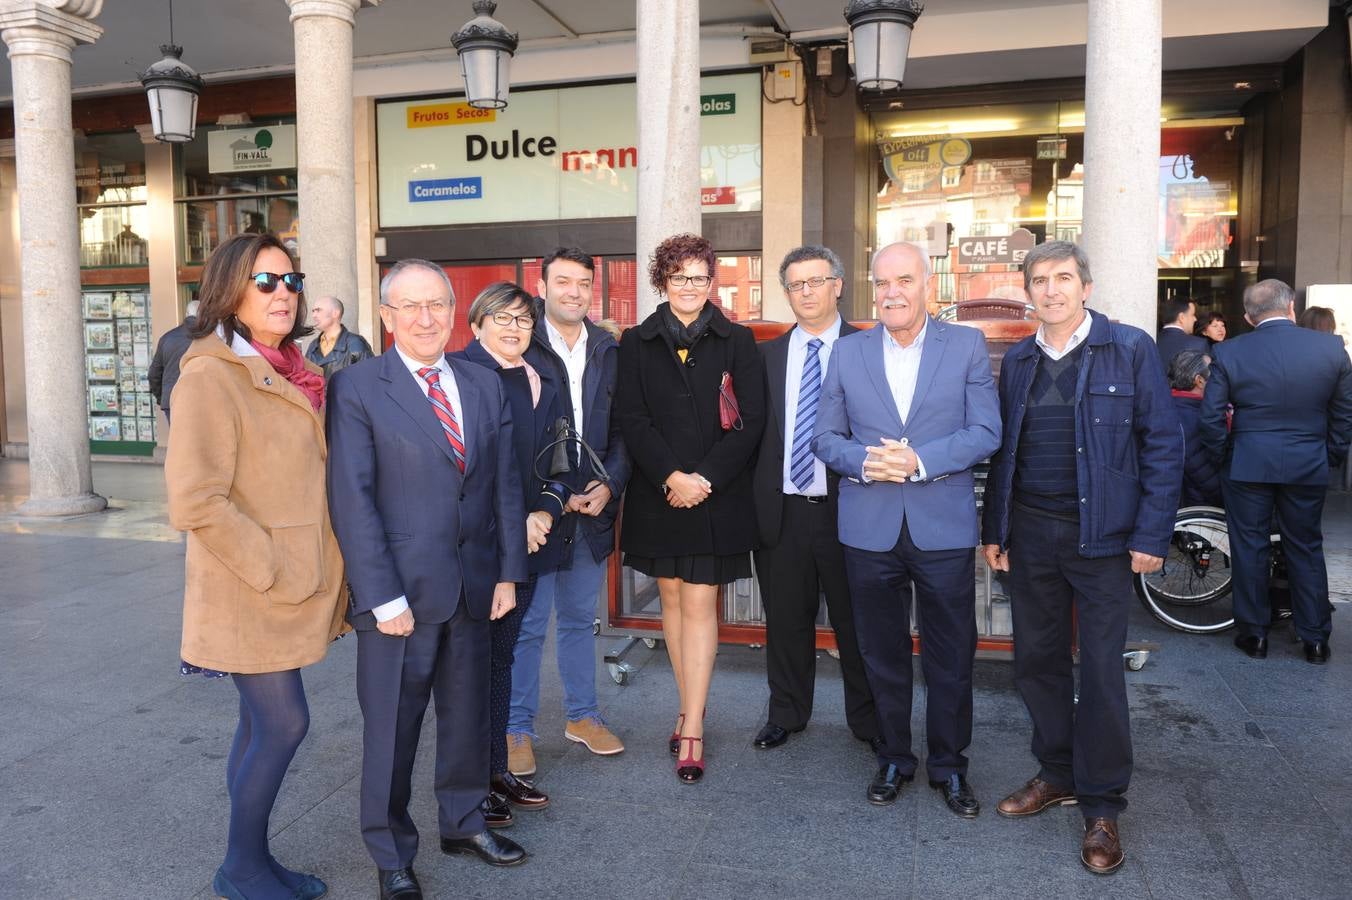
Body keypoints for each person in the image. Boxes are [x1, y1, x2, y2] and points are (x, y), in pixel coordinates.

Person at [326, 258, 529, 900]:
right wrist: (381, 597)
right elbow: (352, 500)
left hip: (474, 585)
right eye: (408, 306)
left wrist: (506, 575)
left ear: (452, 310)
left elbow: (503, 483)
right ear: (386, 317)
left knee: (468, 717)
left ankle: (464, 822)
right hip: (400, 597)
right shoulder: (358, 387)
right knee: (392, 729)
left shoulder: (481, 382)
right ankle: (390, 852)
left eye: (436, 304)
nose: (424, 318)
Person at [981, 241, 1181, 875]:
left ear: (1085, 286)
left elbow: (1163, 445)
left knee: (1099, 673)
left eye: (1063, 278)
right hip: (1032, 536)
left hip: (1105, 540)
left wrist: (1152, 534)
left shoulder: (1129, 348)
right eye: (1039, 281)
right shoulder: (1017, 360)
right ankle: (1057, 774)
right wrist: (998, 529)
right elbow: (1003, 455)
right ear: (1029, 292)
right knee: (1036, 663)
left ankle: (1101, 807)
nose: (1051, 290)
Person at [165, 233, 346, 900]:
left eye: (290, 280)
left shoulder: (289, 366)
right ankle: (241, 867)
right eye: (266, 281)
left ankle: (255, 860)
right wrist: (272, 566)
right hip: (251, 585)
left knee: (259, 724)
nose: (283, 293)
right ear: (230, 290)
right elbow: (195, 499)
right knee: (284, 723)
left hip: (285, 583)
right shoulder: (211, 373)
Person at [813, 241, 1001, 818]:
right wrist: (869, 461)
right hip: (868, 527)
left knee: (951, 652)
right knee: (880, 651)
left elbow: (985, 431)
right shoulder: (847, 353)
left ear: (928, 287)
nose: (893, 292)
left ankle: (949, 766)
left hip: (940, 525)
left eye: (904, 280)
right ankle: (894, 756)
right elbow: (825, 439)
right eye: (883, 283)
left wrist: (916, 460)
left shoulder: (966, 345)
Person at [615, 233, 765, 783]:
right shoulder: (635, 340)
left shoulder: (738, 340)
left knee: (700, 605)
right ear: (662, 281)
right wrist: (671, 476)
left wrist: (701, 479)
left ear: (712, 282)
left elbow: (751, 422)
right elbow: (631, 419)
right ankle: (686, 705)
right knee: (671, 603)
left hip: (714, 496)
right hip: (660, 495)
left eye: (699, 277)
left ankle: (694, 725)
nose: (689, 287)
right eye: (679, 277)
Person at [750, 245, 879, 752]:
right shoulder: (765, 357)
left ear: (838, 285)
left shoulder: (869, 349)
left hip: (851, 510)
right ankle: (786, 713)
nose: (806, 292)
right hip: (783, 511)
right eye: (796, 285)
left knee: (858, 624)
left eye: (815, 281)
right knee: (785, 621)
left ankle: (868, 722)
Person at [507, 248, 630, 777]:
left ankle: (583, 716)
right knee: (529, 624)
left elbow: (627, 426)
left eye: (583, 283)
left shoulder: (608, 347)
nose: (574, 292)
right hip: (539, 507)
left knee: (581, 619)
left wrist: (610, 483)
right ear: (542, 285)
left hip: (592, 506)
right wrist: (541, 500)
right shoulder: (519, 342)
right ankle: (515, 727)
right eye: (563, 281)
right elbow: (504, 432)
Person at [450, 282, 568, 827]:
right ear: (475, 324)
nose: (514, 328)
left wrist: (543, 512)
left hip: (530, 543)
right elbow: (461, 470)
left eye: (523, 319)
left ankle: (496, 771)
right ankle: (472, 783)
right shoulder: (458, 373)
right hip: (476, 549)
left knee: (502, 658)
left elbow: (559, 458)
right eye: (501, 318)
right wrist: (513, 522)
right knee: (472, 666)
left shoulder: (542, 376)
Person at [1200, 279, 1352, 665]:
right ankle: (1316, 639)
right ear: (1291, 309)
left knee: (1250, 547)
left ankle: (1254, 635)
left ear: (1249, 317)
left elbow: (1212, 416)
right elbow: (1343, 413)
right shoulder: (1331, 348)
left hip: (1248, 462)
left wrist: (1224, 457)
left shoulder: (1230, 351)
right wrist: (1329, 455)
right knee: (1305, 545)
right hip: (1307, 461)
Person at [1168, 349, 1223, 508]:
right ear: (1199, 381)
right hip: (1199, 508)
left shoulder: (1173, 406)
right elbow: (1206, 477)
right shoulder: (1191, 416)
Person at [148, 298, 199, 422]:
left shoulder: (167, 337)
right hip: (197, 400)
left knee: (177, 440)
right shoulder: (208, 337)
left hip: (171, 400)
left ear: (186, 314)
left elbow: (153, 374)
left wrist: (162, 397)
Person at [306, 295, 374, 379]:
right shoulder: (313, 346)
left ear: (335, 313)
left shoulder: (355, 344)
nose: (314, 315)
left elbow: (369, 380)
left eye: (318, 310)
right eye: (313, 311)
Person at [1156, 296, 1208, 371]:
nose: (1195, 319)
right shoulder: (1199, 344)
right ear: (1182, 317)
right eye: (1192, 314)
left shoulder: (1152, 341)